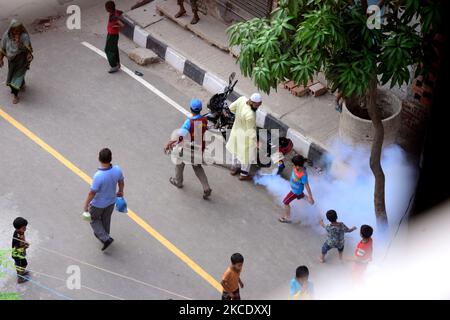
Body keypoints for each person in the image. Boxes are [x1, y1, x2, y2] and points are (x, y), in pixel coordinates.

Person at [164, 99, 212, 200]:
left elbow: (180, 135)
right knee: (197, 168)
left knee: (179, 163)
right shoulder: (204, 120)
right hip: (199, 148)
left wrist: (169, 143)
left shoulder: (189, 122)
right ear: (200, 109)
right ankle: (206, 187)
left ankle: (178, 182)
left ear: (191, 109)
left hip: (187, 148)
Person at [83, 148, 125, 251]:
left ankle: (105, 238)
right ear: (111, 158)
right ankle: (105, 236)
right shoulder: (117, 170)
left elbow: (92, 193)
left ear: (99, 158)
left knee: (93, 219)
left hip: (98, 204)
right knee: (106, 218)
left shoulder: (98, 176)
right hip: (111, 201)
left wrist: (86, 205)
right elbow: (121, 181)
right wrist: (121, 191)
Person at [226, 93, 262, 181]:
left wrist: (238, 116)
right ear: (254, 103)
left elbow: (231, 108)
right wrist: (256, 141)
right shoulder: (250, 114)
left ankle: (233, 169)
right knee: (247, 156)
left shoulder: (242, 99)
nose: (258, 106)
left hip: (236, 131)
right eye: (258, 104)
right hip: (245, 137)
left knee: (235, 151)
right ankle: (243, 175)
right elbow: (250, 131)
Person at [0, 19, 33, 104]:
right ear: (11, 29)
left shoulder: (24, 36)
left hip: (21, 60)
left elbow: (27, 49)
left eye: (18, 30)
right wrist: (1, 59)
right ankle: (22, 84)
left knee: (16, 80)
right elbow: (2, 48)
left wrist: (19, 43)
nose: (16, 32)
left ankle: (15, 95)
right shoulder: (6, 35)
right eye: (14, 30)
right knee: (14, 76)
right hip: (11, 61)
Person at [279, 155, 314, 223]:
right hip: (298, 191)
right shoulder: (299, 167)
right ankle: (313, 203)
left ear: (298, 166)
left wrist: (310, 196)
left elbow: (307, 186)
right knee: (302, 196)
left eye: (294, 165)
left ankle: (287, 218)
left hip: (295, 192)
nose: (293, 166)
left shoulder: (303, 175)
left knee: (285, 202)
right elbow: (303, 162)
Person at [105, 1, 124, 73]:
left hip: (112, 35)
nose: (106, 9)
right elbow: (121, 12)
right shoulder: (114, 12)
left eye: (106, 8)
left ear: (109, 9)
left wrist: (115, 26)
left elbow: (122, 25)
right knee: (114, 48)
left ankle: (114, 66)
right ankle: (117, 63)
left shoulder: (114, 16)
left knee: (108, 50)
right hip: (111, 34)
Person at [12, 217, 30, 284]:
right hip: (18, 255)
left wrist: (24, 242)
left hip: (17, 254)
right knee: (24, 264)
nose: (25, 229)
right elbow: (18, 249)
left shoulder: (19, 232)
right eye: (23, 228)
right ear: (17, 228)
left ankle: (20, 273)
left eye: (25, 227)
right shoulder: (18, 238)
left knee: (18, 264)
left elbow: (22, 240)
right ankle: (20, 278)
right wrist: (25, 247)